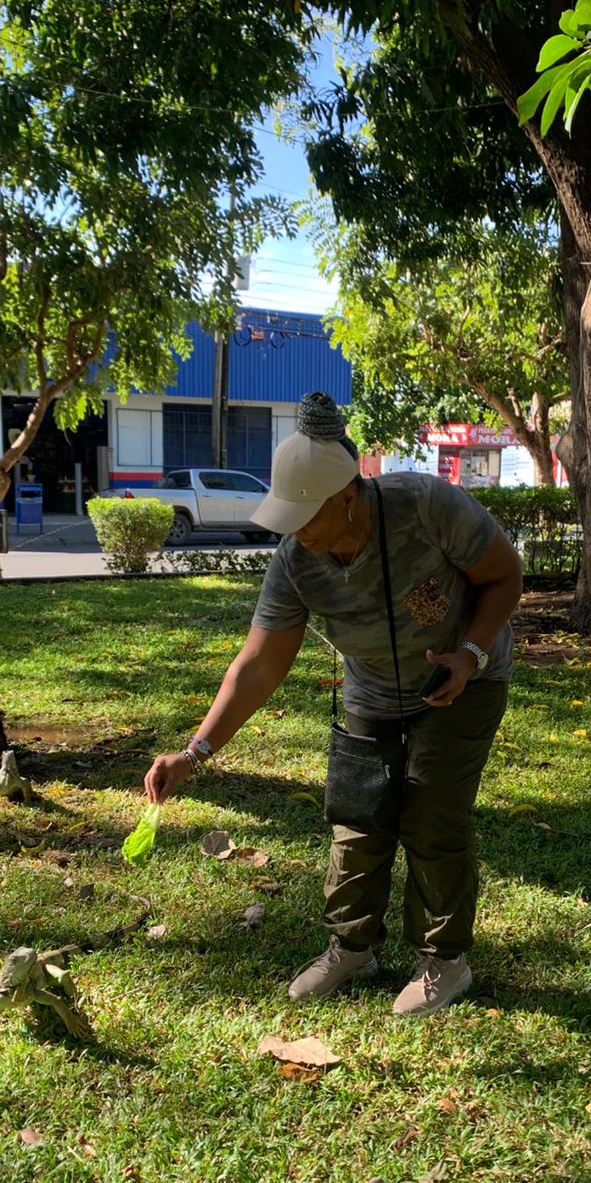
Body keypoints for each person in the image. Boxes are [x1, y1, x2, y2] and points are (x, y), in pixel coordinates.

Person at [143, 392, 523, 1018]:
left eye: (305, 516)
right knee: (358, 817)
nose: (296, 532)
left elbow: (505, 576)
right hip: (373, 691)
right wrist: (195, 752)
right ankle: (351, 948)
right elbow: (259, 664)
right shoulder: (297, 562)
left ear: (347, 496)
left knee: (431, 813)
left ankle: (446, 961)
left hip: (466, 679)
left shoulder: (424, 506)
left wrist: (470, 654)